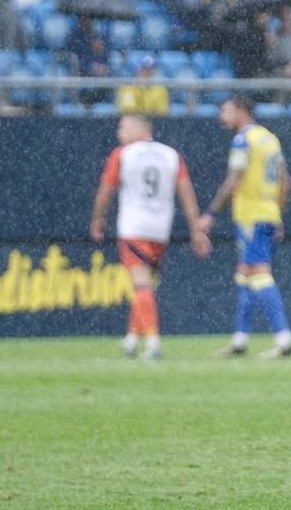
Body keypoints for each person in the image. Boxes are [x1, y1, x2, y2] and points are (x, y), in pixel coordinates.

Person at [90, 114, 211, 360]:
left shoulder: (123, 154)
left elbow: (106, 190)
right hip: (160, 229)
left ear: (140, 128)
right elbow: (186, 192)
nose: (120, 131)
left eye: (124, 126)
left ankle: (153, 342)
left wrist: (98, 218)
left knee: (141, 284)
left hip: (133, 227)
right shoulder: (171, 155)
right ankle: (132, 339)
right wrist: (195, 229)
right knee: (146, 283)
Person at [198, 96, 291, 359]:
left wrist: (210, 214)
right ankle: (240, 340)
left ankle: (284, 339)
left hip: (251, 217)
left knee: (260, 274)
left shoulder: (243, 140)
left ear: (242, 111)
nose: (222, 116)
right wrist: (277, 214)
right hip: (267, 214)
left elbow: (233, 180)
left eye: (226, 111)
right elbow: (286, 182)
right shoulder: (269, 139)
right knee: (245, 275)